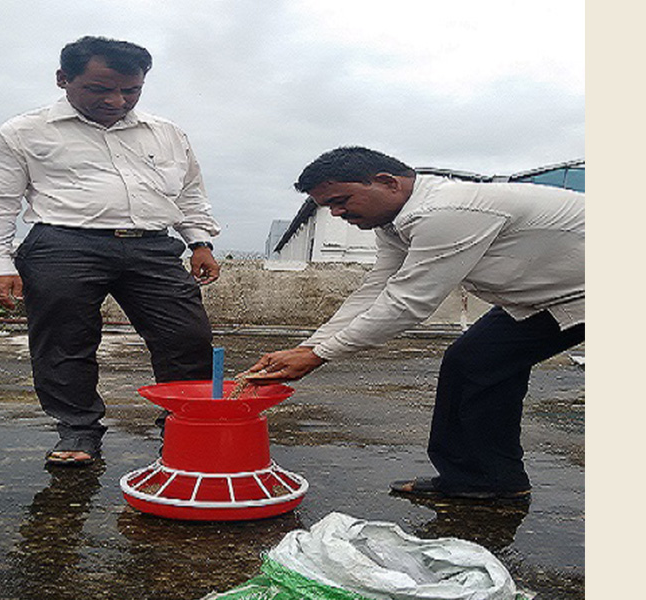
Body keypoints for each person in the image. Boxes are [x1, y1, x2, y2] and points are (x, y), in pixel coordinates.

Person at [247, 146, 584, 500]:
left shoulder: (446, 211)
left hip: (583, 291)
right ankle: (486, 479)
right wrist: (308, 347)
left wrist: (319, 356)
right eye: (328, 206)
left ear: (388, 183)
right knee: (472, 363)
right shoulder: (393, 224)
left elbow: (407, 303)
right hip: (546, 296)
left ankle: (484, 479)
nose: (337, 212)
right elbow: (376, 288)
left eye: (342, 200)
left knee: (479, 362)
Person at [0, 36, 221, 467]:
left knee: (186, 337)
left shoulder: (167, 133)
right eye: (99, 89)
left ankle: (183, 424)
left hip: (153, 245)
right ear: (64, 79)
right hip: (64, 245)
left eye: (130, 90)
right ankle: (78, 430)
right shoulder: (23, 132)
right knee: (65, 342)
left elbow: (190, 192)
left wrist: (199, 241)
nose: (116, 100)